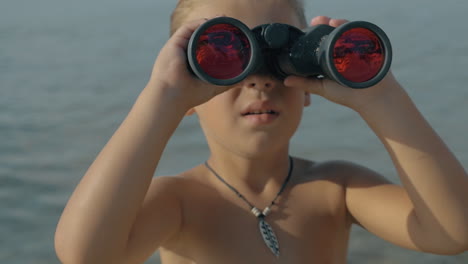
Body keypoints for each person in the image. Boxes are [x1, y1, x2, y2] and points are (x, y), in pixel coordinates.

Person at [54, 0, 468, 263]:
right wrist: (161, 97)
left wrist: (380, 95)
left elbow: (453, 232)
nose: (260, 80)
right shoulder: (179, 202)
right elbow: (87, 255)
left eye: (281, 60)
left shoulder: (336, 188)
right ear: (188, 99)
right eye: (225, 56)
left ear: (307, 87)